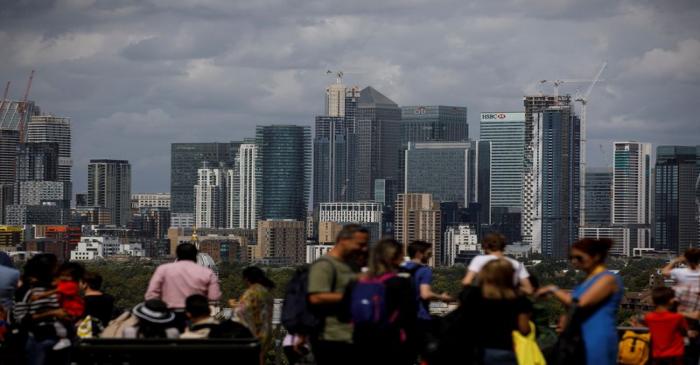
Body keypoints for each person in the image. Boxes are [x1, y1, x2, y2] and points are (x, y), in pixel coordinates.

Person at [536, 238, 623, 365]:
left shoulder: (608, 279)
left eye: (579, 257)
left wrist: (553, 289)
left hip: (597, 335)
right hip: (578, 337)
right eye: (571, 258)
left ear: (596, 256)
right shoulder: (586, 281)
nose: (574, 261)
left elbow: (580, 303)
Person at [350, 238, 417, 365]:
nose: (403, 259)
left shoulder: (359, 282)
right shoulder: (399, 283)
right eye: (401, 256)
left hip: (361, 340)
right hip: (390, 342)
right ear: (394, 258)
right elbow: (409, 316)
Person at [307, 224, 364, 365]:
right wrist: (353, 298)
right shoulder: (324, 265)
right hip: (331, 338)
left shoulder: (350, 266)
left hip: (351, 336)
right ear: (344, 241)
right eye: (360, 244)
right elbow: (316, 297)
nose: (363, 248)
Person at [463, 258, 532, 365]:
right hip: (505, 350)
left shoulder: (474, 296)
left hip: (477, 351)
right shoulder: (518, 300)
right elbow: (524, 330)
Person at [145, 243, 221, 326]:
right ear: (195, 255)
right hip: (196, 316)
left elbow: (151, 295)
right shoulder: (207, 272)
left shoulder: (163, 269)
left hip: (170, 315)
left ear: (177, 255)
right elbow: (214, 296)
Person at [400, 240, 451, 357]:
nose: (431, 255)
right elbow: (425, 294)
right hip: (420, 316)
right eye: (428, 253)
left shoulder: (401, 268)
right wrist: (442, 297)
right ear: (419, 253)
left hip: (402, 317)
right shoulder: (424, 270)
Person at [13, 254, 66, 365]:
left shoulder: (53, 290)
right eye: (55, 266)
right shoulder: (27, 291)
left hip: (58, 341)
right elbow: (20, 318)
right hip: (36, 341)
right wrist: (52, 313)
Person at [462, 232, 533, 294]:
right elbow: (529, 290)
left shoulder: (479, 260)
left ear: (485, 246)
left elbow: (466, 282)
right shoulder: (516, 264)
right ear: (504, 246)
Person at [233, 266, 274, 365]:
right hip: (266, 331)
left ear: (247, 279)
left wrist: (234, 305)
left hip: (254, 332)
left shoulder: (251, 292)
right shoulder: (266, 291)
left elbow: (241, 311)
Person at [644, 287, 687, 365]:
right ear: (671, 301)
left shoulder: (649, 317)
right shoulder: (677, 317)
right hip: (675, 355)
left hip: (657, 355)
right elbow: (684, 330)